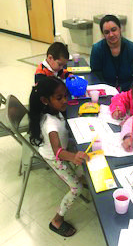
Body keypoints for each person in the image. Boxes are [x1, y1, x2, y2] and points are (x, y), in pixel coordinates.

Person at [28, 76, 89, 237]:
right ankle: (57, 220)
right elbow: (58, 152)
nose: (65, 101)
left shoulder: (55, 111)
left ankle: (81, 176)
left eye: (65, 96)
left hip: (61, 149)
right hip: (55, 158)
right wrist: (73, 156)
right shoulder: (50, 123)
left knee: (84, 162)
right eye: (59, 98)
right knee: (76, 188)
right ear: (45, 100)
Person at [90, 14, 133, 91]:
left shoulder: (132, 48)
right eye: (107, 32)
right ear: (103, 34)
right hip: (106, 91)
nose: (111, 35)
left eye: (114, 30)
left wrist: (131, 93)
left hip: (128, 91)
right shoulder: (97, 49)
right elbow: (95, 75)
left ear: (120, 29)